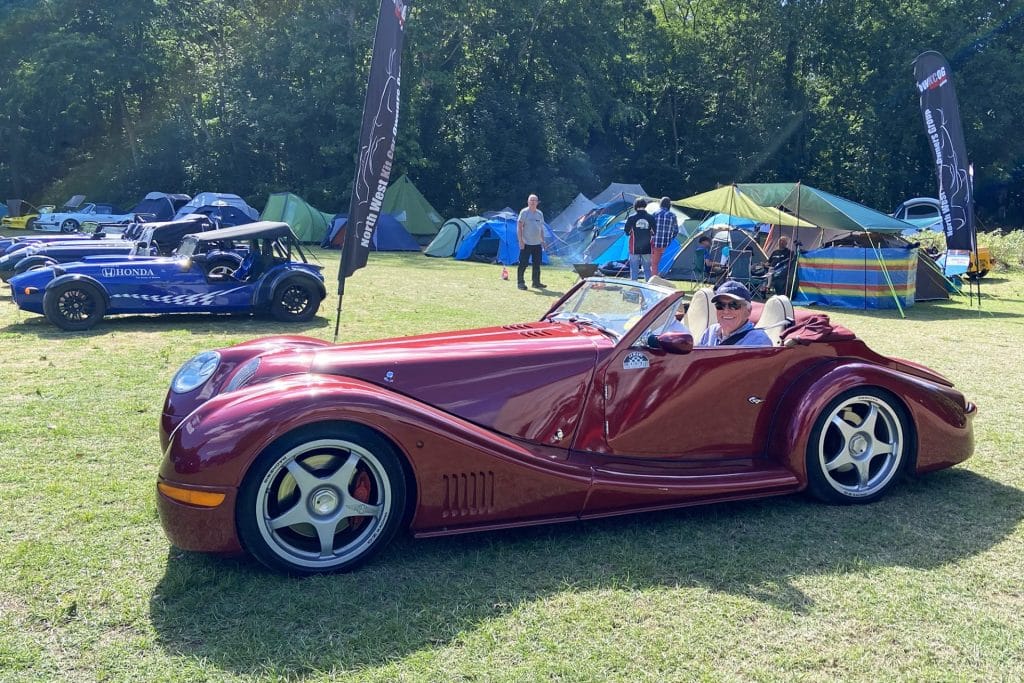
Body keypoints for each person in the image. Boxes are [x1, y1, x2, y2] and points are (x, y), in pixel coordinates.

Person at [698, 280, 773, 346]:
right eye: (720, 305)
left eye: (734, 305)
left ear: (748, 311)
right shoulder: (710, 332)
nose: (726, 311)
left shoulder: (758, 342)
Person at [517, 194, 547, 290]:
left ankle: (536, 282)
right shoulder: (524, 212)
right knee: (523, 263)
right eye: (531, 200)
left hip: (537, 244)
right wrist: (520, 240)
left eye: (535, 200)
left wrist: (543, 240)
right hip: (526, 243)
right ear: (528, 202)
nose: (533, 202)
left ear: (537, 202)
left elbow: (541, 228)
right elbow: (519, 227)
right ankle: (520, 283)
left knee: (537, 264)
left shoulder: (539, 213)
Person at [624, 197, 654, 281]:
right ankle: (649, 286)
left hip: (634, 248)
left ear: (635, 206)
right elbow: (654, 232)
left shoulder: (631, 218)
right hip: (647, 248)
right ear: (645, 205)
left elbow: (627, 232)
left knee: (634, 270)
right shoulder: (651, 218)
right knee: (647, 270)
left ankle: (634, 287)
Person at [651, 197, 679, 276]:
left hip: (654, 242)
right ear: (669, 205)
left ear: (660, 204)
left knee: (654, 264)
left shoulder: (655, 214)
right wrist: (670, 239)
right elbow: (676, 231)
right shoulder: (673, 216)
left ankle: (653, 279)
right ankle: (659, 275)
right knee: (659, 261)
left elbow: (650, 228)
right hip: (665, 244)